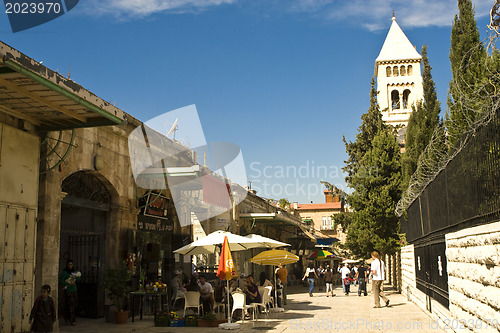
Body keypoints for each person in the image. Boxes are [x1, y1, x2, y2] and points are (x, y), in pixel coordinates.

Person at [60, 259, 80, 326]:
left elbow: (78, 278)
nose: (70, 266)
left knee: (75, 305)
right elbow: (61, 281)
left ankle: (70, 318)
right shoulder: (65, 272)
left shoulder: (73, 272)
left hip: (74, 290)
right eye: (69, 264)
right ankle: (72, 320)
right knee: (71, 306)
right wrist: (68, 283)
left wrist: (76, 277)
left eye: (71, 264)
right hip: (68, 290)